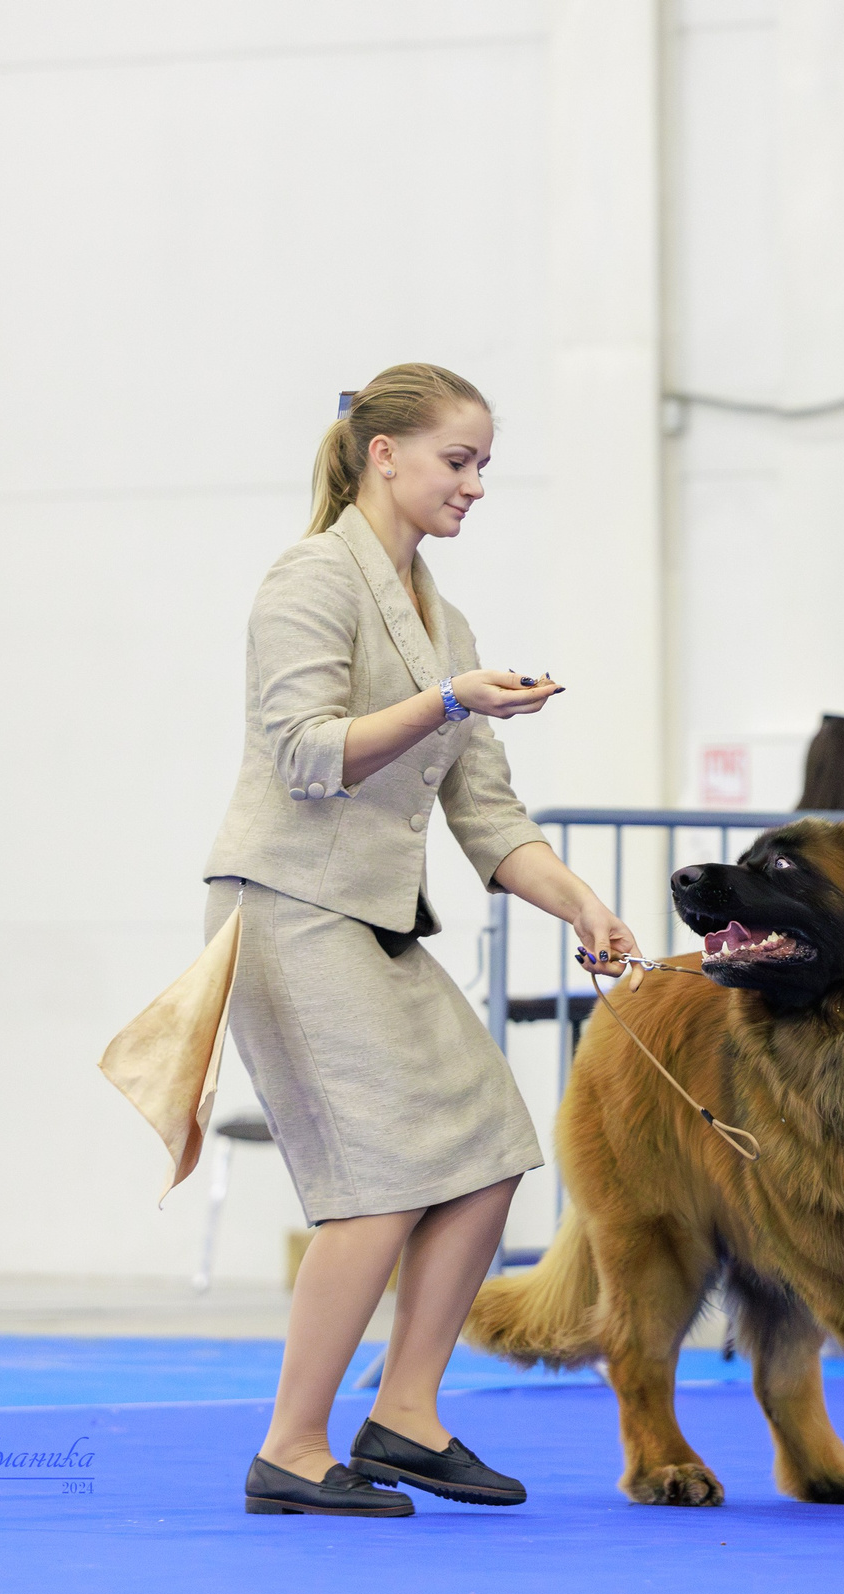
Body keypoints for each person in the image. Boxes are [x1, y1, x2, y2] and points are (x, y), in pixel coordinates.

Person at [209, 363, 643, 1518]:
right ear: (380, 454)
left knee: (491, 1144)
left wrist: (584, 905)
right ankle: (292, 1447)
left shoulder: (442, 617)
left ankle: (404, 1415)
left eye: (485, 464)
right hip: (290, 907)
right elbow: (307, 754)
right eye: (460, 460)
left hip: (369, 918)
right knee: (378, 1183)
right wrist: (449, 699)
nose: (477, 484)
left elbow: (487, 820)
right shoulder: (309, 577)